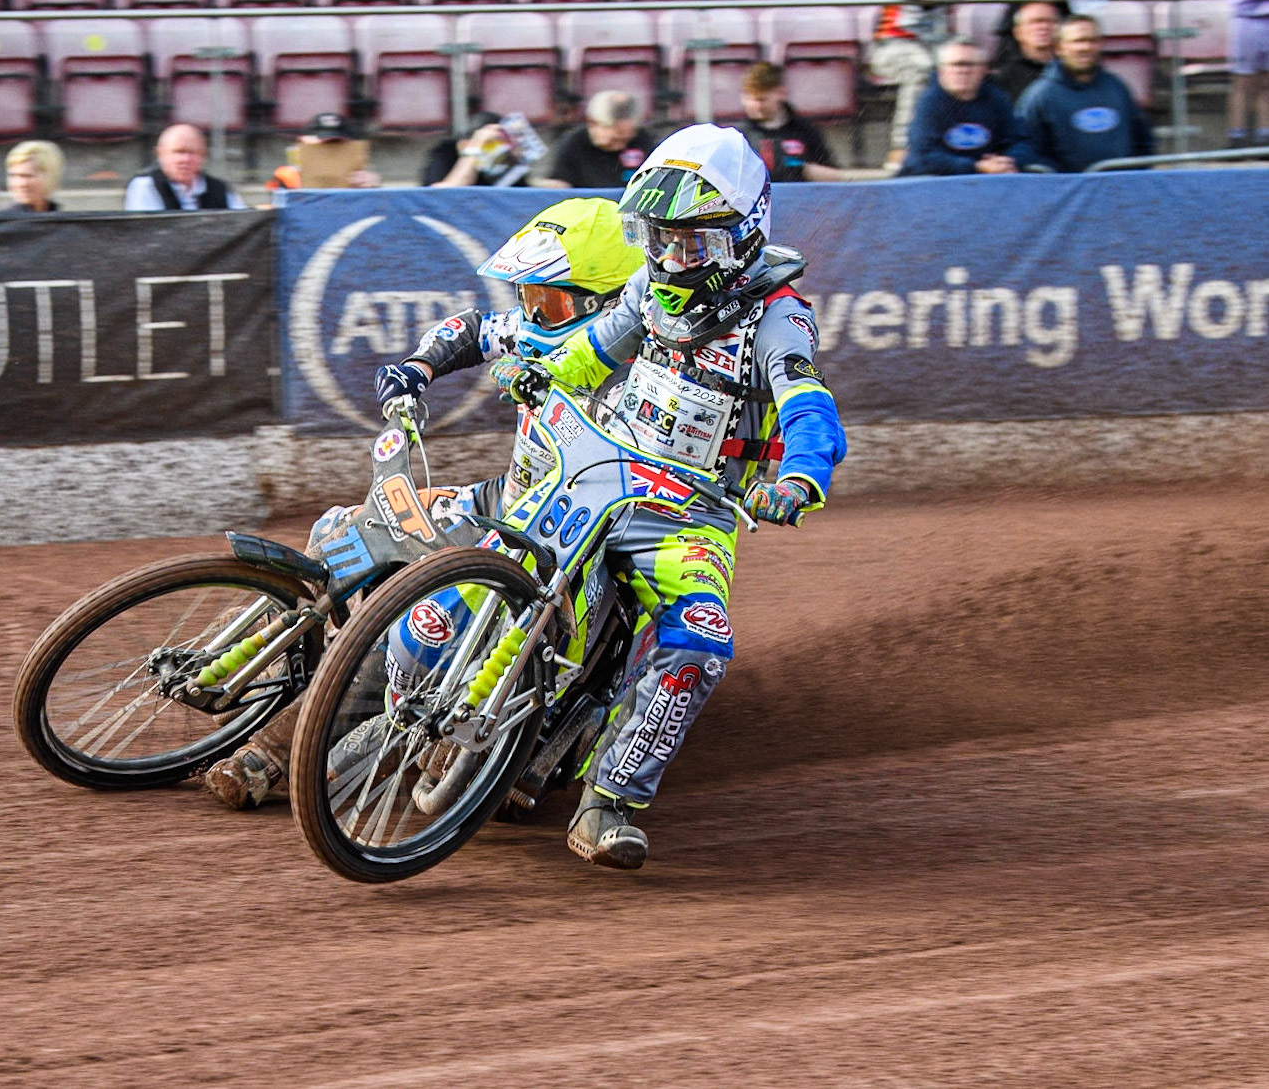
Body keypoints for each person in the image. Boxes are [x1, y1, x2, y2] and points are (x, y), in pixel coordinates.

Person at [201, 197, 644, 812]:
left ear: (607, 299)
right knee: (345, 531)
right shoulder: (533, 327)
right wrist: (418, 367)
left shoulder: (654, 368)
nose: (532, 313)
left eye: (551, 300)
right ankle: (266, 646)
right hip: (507, 499)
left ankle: (284, 753)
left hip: (596, 541)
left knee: (440, 625)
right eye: (527, 296)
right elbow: (467, 329)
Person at [518, 125, 845, 869]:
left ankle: (609, 801)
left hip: (691, 513)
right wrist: (546, 374)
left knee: (701, 638)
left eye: (692, 246)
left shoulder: (779, 317)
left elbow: (807, 403)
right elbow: (597, 345)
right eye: (656, 238)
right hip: (599, 470)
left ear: (742, 239)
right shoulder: (648, 287)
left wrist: (799, 477)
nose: (669, 258)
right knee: (485, 561)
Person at [1017, 14, 1153, 173]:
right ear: (1059, 48)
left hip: (1119, 191)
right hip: (1068, 194)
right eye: (1078, 41)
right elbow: (1027, 151)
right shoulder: (1039, 96)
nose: (1085, 48)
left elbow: (1142, 140)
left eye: (1092, 40)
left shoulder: (1117, 87)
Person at [900, 38, 1035, 176]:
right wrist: (976, 167)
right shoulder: (928, 103)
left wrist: (1009, 160)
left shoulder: (997, 99)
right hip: (932, 183)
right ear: (941, 70)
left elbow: (1020, 140)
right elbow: (924, 155)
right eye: (956, 65)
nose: (963, 71)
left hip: (986, 180)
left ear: (984, 70)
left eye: (970, 65)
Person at [734, 62, 843, 182]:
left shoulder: (805, 132)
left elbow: (833, 177)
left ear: (781, 93)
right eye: (749, 99)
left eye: (761, 99)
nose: (755, 105)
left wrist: (809, 172)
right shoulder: (739, 137)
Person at [538, 90, 657, 189]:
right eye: (615, 139)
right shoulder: (574, 142)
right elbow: (560, 186)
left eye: (626, 139)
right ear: (593, 123)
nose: (621, 146)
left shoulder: (643, 139)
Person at [867, 4, 939, 166]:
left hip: (933, 44)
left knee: (963, 65)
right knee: (919, 71)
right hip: (894, 45)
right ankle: (901, 147)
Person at [125, 123, 245, 211]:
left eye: (192, 152)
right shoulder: (146, 185)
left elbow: (243, 222)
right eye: (178, 152)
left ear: (203, 156)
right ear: (160, 154)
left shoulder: (220, 189)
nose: (185, 159)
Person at [264, 113, 381, 192]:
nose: (329, 150)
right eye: (323, 145)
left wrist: (373, 190)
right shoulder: (287, 176)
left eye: (337, 145)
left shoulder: (362, 178)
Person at [421, 112, 532, 187]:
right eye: (489, 145)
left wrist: (513, 159)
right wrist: (475, 149)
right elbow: (441, 195)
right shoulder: (445, 152)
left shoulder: (506, 159)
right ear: (464, 145)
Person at [991, 1, 1064, 104]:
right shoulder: (1004, 78)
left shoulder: (1072, 69)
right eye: (1035, 22)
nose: (1043, 27)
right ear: (1017, 32)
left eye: (1049, 21)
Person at [1228, 0, 1269, 148]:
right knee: (1243, 81)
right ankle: (1237, 137)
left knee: (1266, 83)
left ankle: (1264, 137)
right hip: (1247, 19)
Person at [5, 140, 65, 213]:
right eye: (13, 176)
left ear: (49, 177)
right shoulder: (0, 223)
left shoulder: (62, 220)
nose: (20, 184)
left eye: (28, 176)